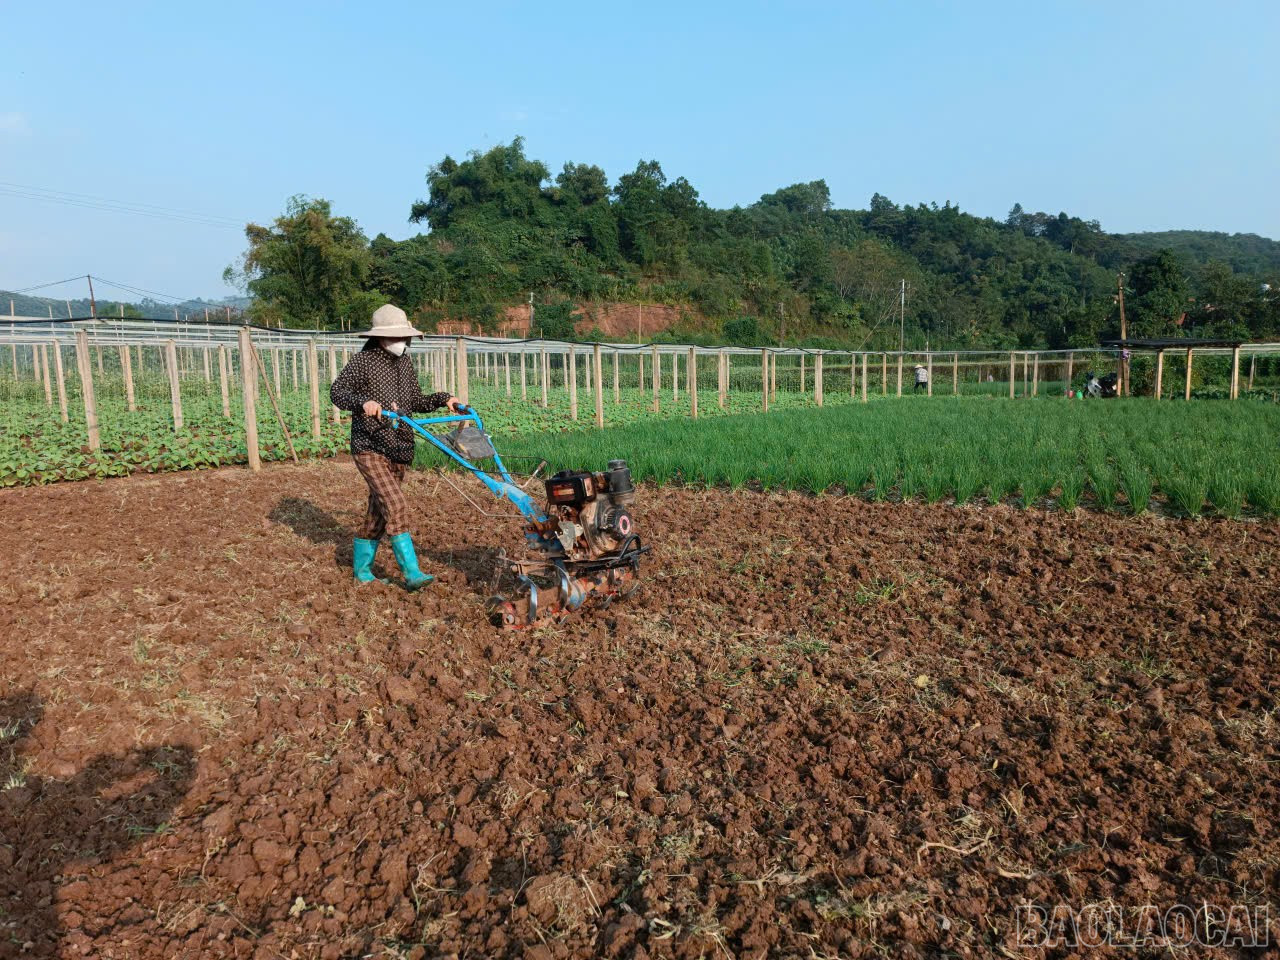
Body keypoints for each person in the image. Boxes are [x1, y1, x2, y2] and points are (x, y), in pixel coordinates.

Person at [330, 304, 463, 588]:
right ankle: (412, 573)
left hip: (400, 447)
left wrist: (444, 398)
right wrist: (363, 402)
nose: (402, 341)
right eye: (396, 336)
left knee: (378, 515)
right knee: (396, 505)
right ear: (379, 337)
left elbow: (415, 401)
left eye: (404, 336)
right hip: (370, 445)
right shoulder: (363, 362)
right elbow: (337, 392)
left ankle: (362, 572)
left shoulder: (404, 363)